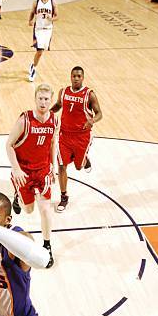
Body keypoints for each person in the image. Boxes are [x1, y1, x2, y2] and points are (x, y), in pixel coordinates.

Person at [6, 83, 58, 268]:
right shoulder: (24, 120)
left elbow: (53, 144)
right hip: (24, 171)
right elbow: (9, 145)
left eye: (46, 99)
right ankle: (17, 197)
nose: (43, 102)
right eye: (40, 99)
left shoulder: (54, 120)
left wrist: (54, 166)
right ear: (35, 99)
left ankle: (47, 245)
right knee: (28, 210)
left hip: (43, 170)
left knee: (45, 209)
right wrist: (16, 169)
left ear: (51, 101)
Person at [51, 66, 103, 211]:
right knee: (61, 165)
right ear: (70, 77)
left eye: (79, 76)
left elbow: (99, 113)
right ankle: (64, 197)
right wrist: (48, 112)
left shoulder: (89, 95)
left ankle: (84, 160)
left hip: (82, 137)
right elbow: (58, 105)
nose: (76, 78)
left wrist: (92, 120)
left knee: (78, 167)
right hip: (65, 135)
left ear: (83, 78)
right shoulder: (64, 92)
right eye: (74, 76)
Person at [28, 0, 58, 83]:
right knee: (39, 50)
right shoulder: (36, 2)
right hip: (38, 28)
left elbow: (57, 16)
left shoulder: (53, 2)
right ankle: (34, 69)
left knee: (42, 50)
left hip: (48, 29)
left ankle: (32, 64)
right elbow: (32, 12)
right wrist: (30, 20)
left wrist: (52, 18)